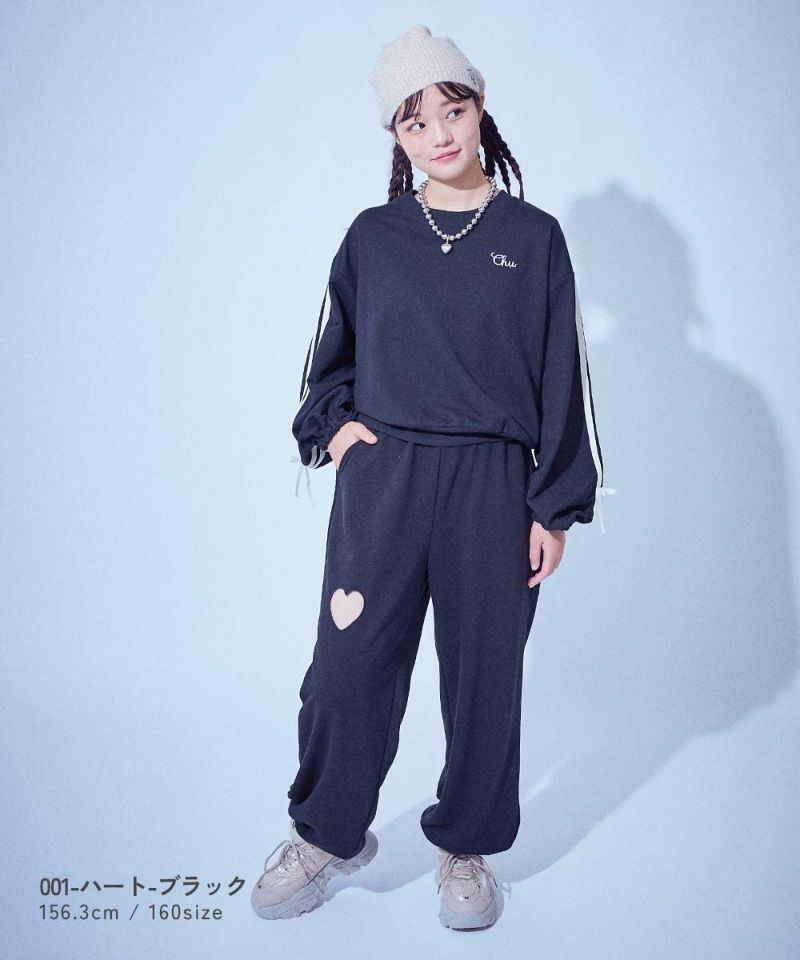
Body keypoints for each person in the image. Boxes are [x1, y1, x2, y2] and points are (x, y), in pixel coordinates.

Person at [251, 23, 614, 931]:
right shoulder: (373, 237)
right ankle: (327, 834)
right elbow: (328, 359)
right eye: (415, 123)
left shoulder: (534, 239)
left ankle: (467, 846)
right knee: (346, 673)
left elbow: (562, 378)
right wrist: (338, 434)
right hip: (386, 482)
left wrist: (553, 507)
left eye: (452, 111)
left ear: (479, 106)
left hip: (493, 485)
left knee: (484, 679)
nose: (439, 135)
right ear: (396, 136)